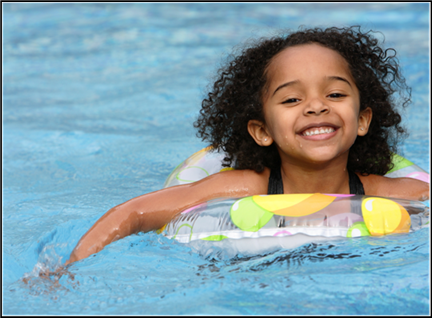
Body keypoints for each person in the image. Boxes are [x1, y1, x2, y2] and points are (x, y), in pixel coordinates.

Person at [65, 26, 430, 266]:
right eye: (290, 100)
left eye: (334, 94)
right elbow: (136, 213)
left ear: (363, 119)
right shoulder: (242, 187)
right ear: (261, 131)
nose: (316, 106)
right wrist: (66, 269)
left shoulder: (389, 192)